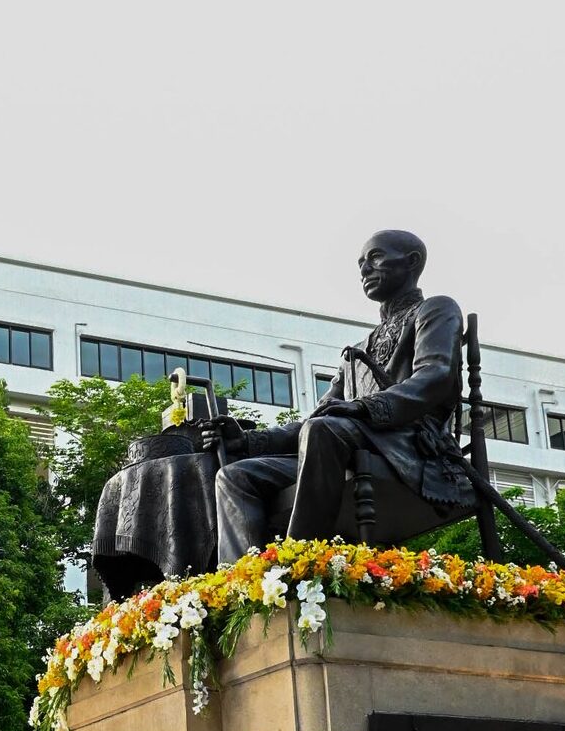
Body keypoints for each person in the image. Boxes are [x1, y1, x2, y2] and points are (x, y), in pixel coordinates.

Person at [202, 230, 474, 565]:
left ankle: (296, 564)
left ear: (412, 261)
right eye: (361, 263)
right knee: (235, 476)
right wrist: (247, 441)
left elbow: (435, 377)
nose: (364, 270)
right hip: (343, 447)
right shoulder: (355, 352)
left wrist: (361, 407)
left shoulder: (437, 309)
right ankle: (243, 585)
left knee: (324, 431)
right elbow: (315, 418)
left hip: (411, 446)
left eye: (375, 258)